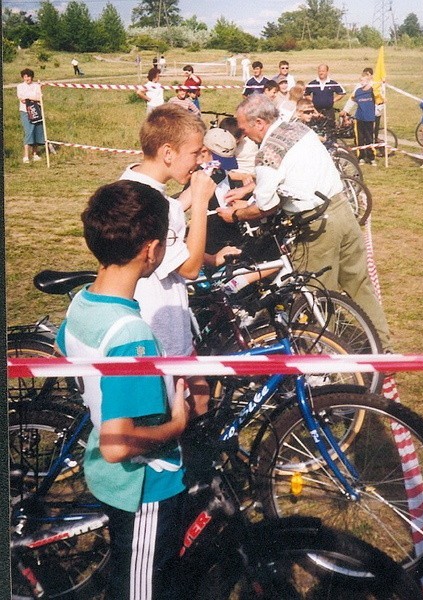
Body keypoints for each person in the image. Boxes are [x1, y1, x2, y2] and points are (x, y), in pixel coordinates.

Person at [55, 179, 193, 599]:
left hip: (113, 480)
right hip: (145, 487)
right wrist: (178, 421)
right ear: (150, 250)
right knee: (139, 589)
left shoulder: (82, 303)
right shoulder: (131, 335)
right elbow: (118, 445)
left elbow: (65, 348)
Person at [217, 95, 393, 351]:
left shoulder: (266, 153)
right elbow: (295, 167)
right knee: (359, 284)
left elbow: (267, 207)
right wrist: (252, 186)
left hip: (316, 227)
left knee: (316, 295)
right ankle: (384, 347)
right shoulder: (298, 128)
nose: (242, 135)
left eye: (243, 129)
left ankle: (328, 356)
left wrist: (234, 215)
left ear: (258, 123)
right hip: (342, 211)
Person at [119, 104, 239, 417]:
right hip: (157, 327)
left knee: (198, 398)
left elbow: (169, 210)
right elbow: (188, 268)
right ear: (168, 152)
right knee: (186, 407)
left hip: (150, 319)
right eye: (196, 152)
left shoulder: (132, 183)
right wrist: (199, 202)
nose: (201, 159)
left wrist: (212, 256)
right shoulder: (159, 207)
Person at [342, 73, 377, 166]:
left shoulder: (373, 91)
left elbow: (380, 101)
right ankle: (361, 157)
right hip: (359, 118)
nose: (361, 82)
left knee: (369, 138)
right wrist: (346, 111)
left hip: (369, 118)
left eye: (363, 80)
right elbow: (352, 101)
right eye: (360, 80)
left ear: (368, 80)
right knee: (360, 139)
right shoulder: (358, 91)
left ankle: (371, 157)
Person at [17, 68, 46, 164]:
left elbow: (39, 98)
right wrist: (31, 99)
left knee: (37, 131)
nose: (27, 78)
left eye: (28, 76)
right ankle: (26, 156)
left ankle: (35, 154)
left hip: (37, 111)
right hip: (25, 111)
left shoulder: (36, 86)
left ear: (32, 77)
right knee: (29, 131)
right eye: (25, 77)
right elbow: (22, 99)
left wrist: (30, 98)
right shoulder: (20, 86)